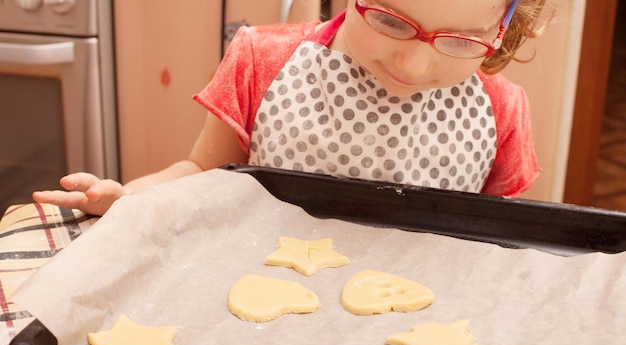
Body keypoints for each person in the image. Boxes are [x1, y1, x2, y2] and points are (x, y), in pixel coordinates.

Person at [33, 0, 549, 216]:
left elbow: (501, 232)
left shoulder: (501, 110)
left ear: (501, 30)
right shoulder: (263, 60)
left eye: (460, 41)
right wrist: (129, 197)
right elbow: (199, 170)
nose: (413, 66)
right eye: (391, 20)